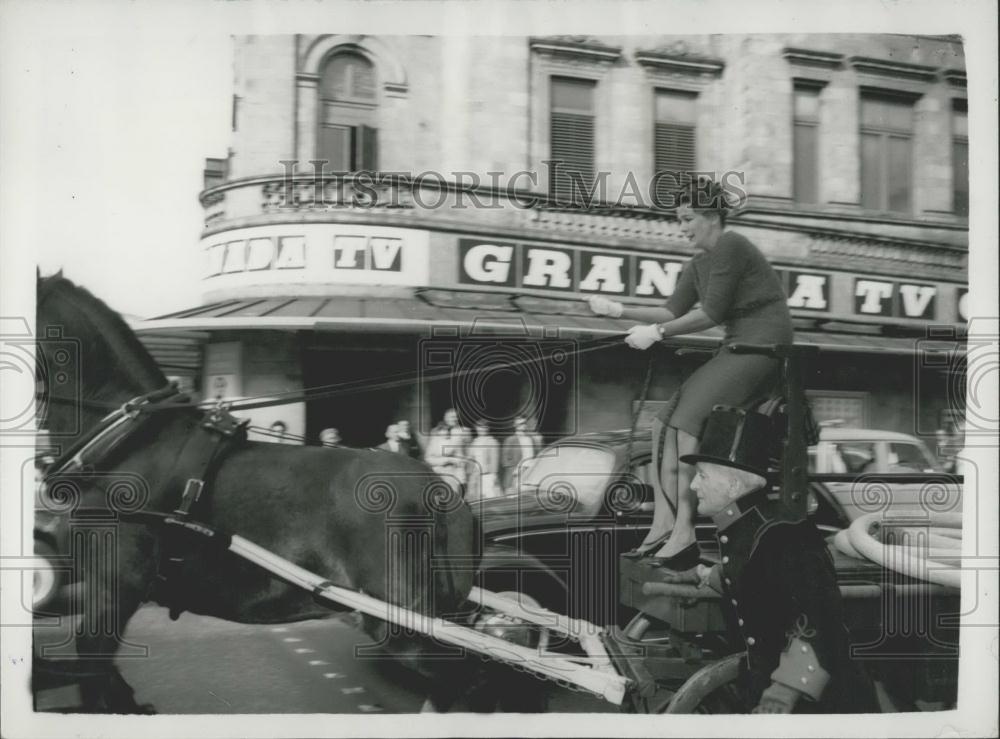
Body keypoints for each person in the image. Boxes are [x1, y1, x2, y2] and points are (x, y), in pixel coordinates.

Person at [587, 178, 793, 569]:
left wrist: (658, 334)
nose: (682, 228)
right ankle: (662, 527)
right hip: (738, 346)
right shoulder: (698, 263)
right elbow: (672, 312)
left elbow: (710, 314)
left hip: (763, 347)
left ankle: (684, 533)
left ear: (712, 216)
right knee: (660, 426)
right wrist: (618, 311)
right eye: (679, 220)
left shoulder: (732, 246)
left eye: (687, 219)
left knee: (685, 425)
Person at [658, 406, 879, 713]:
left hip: (823, 709)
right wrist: (703, 574)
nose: (694, 486)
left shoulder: (784, 536)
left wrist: (782, 695)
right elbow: (758, 580)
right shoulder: (750, 525)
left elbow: (817, 620)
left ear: (734, 486)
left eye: (702, 476)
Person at [501, 416, 543, 494]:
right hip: (516, 473)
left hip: (529, 472)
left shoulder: (531, 439)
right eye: (519, 424)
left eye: (523, 423)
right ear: (515, 425)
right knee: (513, 497)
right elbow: (505, 460)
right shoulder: (510, 440)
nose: (521, 426)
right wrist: (514, 472)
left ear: (526, 425)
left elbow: (536, 456)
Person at [466, 419, 501, 499]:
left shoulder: (492, 441)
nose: (481, 429)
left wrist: (494, 474)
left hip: (487, 474)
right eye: (479, 427)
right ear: (476, 428)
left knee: (488, 497)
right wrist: (470, 472)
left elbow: (494, 459)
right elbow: (470, 458)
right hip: (475, 474)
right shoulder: (475, 442)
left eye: (484, 427)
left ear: (487, 428)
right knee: (475, 497)